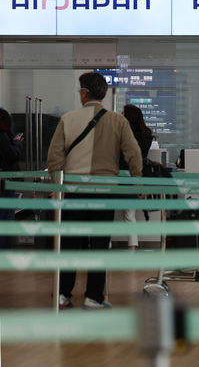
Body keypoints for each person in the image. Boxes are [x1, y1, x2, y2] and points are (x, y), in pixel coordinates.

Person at [47, 72, 143, 309]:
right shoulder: (118, 122)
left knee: (69, 242)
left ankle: (62, 294)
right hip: (104, 192)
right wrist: (138, 182)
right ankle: (93, 297)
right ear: (105, 93)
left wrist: (56, 186)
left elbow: (54, 157)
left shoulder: (67, 119)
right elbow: (134, 154)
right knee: (100, 244)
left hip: (72, 192)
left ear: (84, 93)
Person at [117, 104, 154, 250]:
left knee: (108, 211)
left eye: (122, 112)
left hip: (119, 176)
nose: (120, 114)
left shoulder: (123, 133)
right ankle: (132, 247)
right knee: (129, 215)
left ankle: (104, 245)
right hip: (137, 177)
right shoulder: (147, 136)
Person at [0, 108, 24, 249]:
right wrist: (18, 142)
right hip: (5, 182)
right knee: (6, 217)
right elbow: (12, 154)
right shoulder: (2, 135)